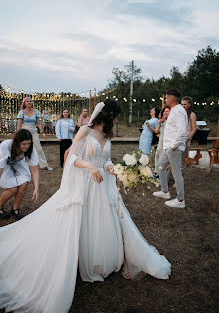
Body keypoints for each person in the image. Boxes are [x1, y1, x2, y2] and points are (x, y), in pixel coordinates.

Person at [0, 99, 171, 313]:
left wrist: (110, 168)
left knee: (106, 221)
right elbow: (71, 157)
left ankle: (103, 259)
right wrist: (89, 165)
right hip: (86, 185)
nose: (117, 119)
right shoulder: (84, 131)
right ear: (108, 114)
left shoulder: (107, 135)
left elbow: (105, 159)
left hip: (103, 186)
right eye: (116, 115)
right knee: (83, 221)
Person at [153, 90, 188, 208]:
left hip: (174, 148)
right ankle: (164, 192)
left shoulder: (179, 111)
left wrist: (173, 146)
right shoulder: (173, 111)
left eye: (166, 98)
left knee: (176, 172)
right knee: (160, 166)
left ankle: (180, 200)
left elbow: (182, 131)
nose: (165, 100)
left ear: (172, 99)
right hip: (168, 147)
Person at [0, 129, 39, 220]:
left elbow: (35, 170)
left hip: (19, 166)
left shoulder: (30, 149)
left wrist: (36, 188)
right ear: (17, 142)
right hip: (4, 168)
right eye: (24, 144)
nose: (27, 147)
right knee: (13, 189)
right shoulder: (5, 146)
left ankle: (15, 209)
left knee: (25, 182)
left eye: (29, 144)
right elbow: (1, 166)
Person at [17, 97, 53, 171]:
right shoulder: (21, 112)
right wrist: (18, 134)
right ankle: (20, 165)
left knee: (39, 148)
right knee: (23, 148)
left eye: (30, 101)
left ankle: (44, 165)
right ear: (24, 103)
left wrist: (42, 132)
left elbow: (38, 123)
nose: (29, 102)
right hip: (24, 131)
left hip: (33, 130)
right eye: (27, 101)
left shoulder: (36, 111)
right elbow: (19, 124)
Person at [181, 96, 197, 175]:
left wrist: (188, 139)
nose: (183, 106)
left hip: (186, 140)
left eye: (185, 104)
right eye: (182, 104)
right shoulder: (180, 114)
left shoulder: (192, 115)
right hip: (178, 139)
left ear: (189, 105)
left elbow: (194, 129)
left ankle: (181, 179)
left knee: (182, 161)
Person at [154, 107, 171, 174]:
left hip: (168, 141)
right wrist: (159, 123)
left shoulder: (171, 121)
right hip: (161, 140)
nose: (166, 113)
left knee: (166, 158)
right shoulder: (162, 121)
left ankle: (165, 173)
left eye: (168, 111)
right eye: (165, 111)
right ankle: (157, 171)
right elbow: (156, 131)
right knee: (158, 154)